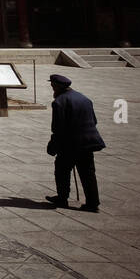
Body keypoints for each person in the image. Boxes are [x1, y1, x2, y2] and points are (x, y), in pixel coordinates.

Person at [45, 73, 105, 212]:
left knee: (62, 169)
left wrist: (53, 145)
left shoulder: (59, 102)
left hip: (71, 143)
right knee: (88, 173)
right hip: (89, 142)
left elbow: (58, 128)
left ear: (58, 87)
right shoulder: (84, 98)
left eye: (53, 86)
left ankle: (62, 198)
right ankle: (93, 203)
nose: (52, 88)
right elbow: (94, 120)